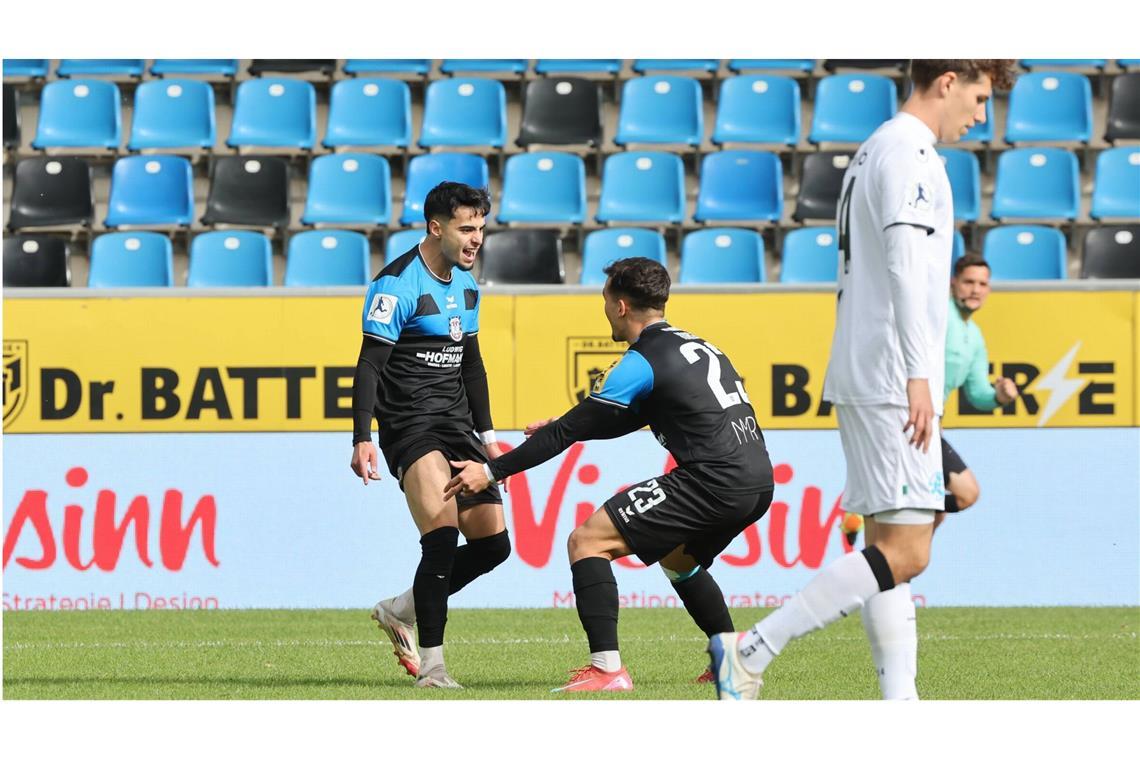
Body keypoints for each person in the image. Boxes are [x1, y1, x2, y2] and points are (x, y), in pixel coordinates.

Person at [708, 59, 1015, 700]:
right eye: (981, 98)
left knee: (884, 549)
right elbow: (905, 266)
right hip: (889, 375)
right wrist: (918, 373)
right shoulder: (909, 152)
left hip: (870, 366)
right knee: (907, 552)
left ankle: (900, 704)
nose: (982, 117)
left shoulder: (877, 147)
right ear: (949, 80)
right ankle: (752, 649)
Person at [445, 257, 775, 692]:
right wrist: (574, 426)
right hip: (758, 480)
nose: (603, 309)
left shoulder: (642, 358)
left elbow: (568, 431)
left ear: (620, 306)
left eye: (604, 300)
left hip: (713, 479)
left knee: (587, 541)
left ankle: (607, 670)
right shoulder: (697, 345)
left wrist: (490, 471)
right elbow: (624, 418)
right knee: (680, 561)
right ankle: (731, 661)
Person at [350, 182, 511, 689]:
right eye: (467, 228)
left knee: (493, 547)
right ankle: (434, 669)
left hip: (457, 425)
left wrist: (487, 436)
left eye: (481, 228)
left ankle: (400, 609)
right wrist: (362, 438)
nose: (476, 239)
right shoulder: (396, 284)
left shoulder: (467, 286)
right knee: (440, 541)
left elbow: (473, 365)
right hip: (410, 427)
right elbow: (369, 367)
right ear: (436, 227)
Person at [938, 252, 1019, 527]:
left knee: (944, 506)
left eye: (982, 284)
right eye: (968, 282)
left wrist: (1000, 397)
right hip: (908, 423)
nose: (975, 290)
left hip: (928, 427)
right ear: (953, 283)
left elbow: (977, 395)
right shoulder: (936, 315)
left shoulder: (974, 336)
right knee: (963, 494)